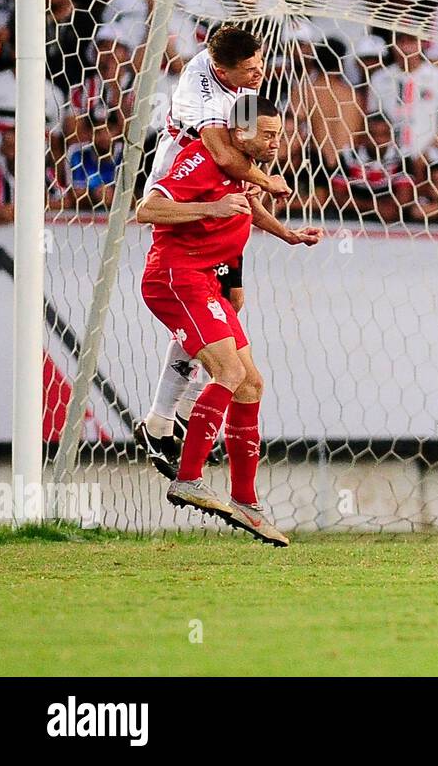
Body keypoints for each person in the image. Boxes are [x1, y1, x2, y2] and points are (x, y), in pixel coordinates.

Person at [136, 97, 322, 546]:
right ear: (239, 132)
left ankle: (244, 499)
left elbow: (244, 207)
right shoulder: (199, 159)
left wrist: (287, 234)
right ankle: (188, 477)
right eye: (268, 134)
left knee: (251, 384)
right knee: (230, 371)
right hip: (177, 277)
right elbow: (147, 210)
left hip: (209, 278)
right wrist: (210, 210)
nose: (276, 143)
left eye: (279, 134)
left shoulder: (242, 167)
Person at [132, 26, 291, 477]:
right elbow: (222, 158)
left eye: (260, 64)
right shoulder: (206, 101)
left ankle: (174, 412)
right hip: (185, 182)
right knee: (208, 321)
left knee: (231, 302)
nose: (260, 73)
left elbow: (239, 184)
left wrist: (285, 232)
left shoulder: (232, 83)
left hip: (219, 206)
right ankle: (165, 419)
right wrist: (266, 180)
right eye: (251, 69)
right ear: (222, 71)